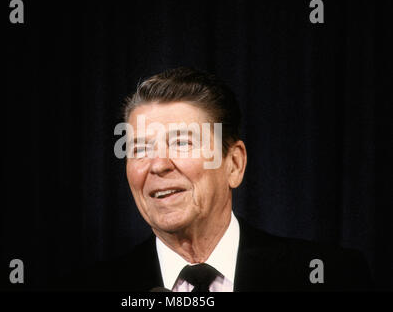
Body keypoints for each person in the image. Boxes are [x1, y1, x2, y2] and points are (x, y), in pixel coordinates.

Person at [90, 67, 372, 292]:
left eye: (182, 143)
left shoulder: (333, 276)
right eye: (139, 149)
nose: (159, 165)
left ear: (234, 164)